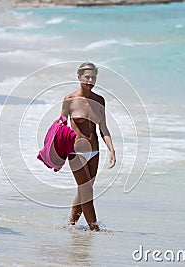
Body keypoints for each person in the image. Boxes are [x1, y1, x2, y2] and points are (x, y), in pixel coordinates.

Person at [61, 62, 116, 231]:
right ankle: (95, 229)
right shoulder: (69, 100)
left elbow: (103, 128)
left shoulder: (100, 100)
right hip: (76, 152)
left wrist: (112, 150)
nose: (90, 80)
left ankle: (71, 224)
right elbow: (60, 127)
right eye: (87, 77)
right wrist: (54, 152)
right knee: (87, 191)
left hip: (94, 152)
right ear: (79, 77)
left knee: (85, 189)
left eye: (93, 77)